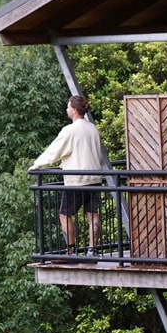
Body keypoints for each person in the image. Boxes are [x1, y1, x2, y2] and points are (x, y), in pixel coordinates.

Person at [29, 94, 104, 256]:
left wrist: (36, 165)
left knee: (64, 215)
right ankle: (92, 250)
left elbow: (54, 151)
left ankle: (71, 250)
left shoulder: (70, 130)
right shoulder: (92, 128)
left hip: (76, 180)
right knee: (93, 215)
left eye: (68, 106)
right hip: (95, 178)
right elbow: (87, 152)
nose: (66, 109)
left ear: (75, 110)